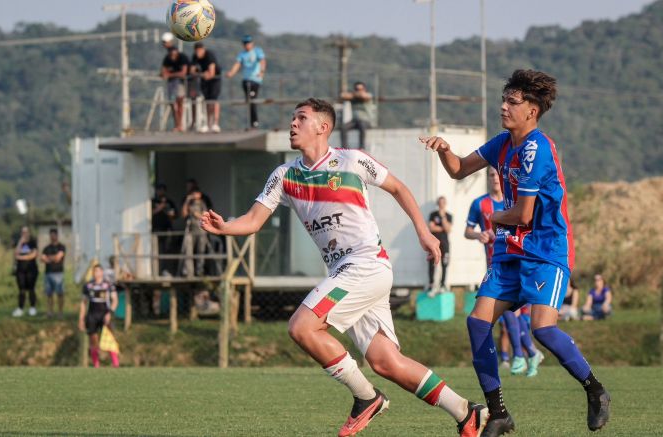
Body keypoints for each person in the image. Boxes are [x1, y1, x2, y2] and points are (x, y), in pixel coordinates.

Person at [200, 98, 488, 437]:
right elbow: (251, 220)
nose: (293, 124)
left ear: (323, 127)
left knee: (302, 327)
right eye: (293, 118)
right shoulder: (285, 175)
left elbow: (398, 188)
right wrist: (226, 227)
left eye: (301, 118)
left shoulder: (351, 160)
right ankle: (466, 412)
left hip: (365, 263)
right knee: (385, 362)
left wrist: (424, 233)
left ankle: (366, 398)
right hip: (346, 272)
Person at [422, 69, 610, 435]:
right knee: (477, 323)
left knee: (542, 329)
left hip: (546, 251)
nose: (504, 106)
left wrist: (492, 219)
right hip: (512, 251)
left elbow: (523, 214)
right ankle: (499, 413)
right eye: (504, 99)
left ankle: (596, 391)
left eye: (513, 101)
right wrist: (446, 150)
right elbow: (460, 169)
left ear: (533, 111)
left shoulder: (536, 149)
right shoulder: (502, 143)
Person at [465, 168, 543, 378]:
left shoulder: (517, 202)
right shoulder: (479, 204)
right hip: (494, 263)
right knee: (510, 312)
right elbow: (467, 230)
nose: (495, 179)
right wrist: (478, 234)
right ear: (488, 179)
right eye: (491, 175)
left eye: (497, 175)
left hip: (516, 262)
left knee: (514, 311)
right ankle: (529, 353)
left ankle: (520, 354)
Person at [78, 264, 119, 368]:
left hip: (105, 314)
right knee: (93, 339)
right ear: (93, 273)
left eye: (98, 271)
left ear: (102, 272)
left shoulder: (108, 285)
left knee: (109, 338)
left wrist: (110, 312)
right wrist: (81, 319)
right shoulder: (88, 286)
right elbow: (83, 303)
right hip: (92, 315)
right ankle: (96, 364)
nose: (97, 273)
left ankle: (115, 363)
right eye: (95, 271)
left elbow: (115, 300)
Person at [226, 35, 266, 129]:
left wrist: (261, 71)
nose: (246, 45)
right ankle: (250, 122)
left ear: (252, 43)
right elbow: (237, 64)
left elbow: (262, 62)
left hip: (255, 80)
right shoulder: (242, 54)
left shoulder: (257, 51)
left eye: (248, 43)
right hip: (246, 80)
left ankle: (254, 123)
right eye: (245, 44)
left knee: (252, 99)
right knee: (249, 101)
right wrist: (231, 73)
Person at [191, 42, 222, 133]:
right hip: (204, 79)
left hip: (215, 79)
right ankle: (208, 124)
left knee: (214, 100)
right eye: (197, 51)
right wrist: (201, 74)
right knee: (207, 101)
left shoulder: (209, 55)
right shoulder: (195, 56)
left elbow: (211, 73)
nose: (198, 53)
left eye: (200, 51)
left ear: (203, 50)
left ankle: (215, 123)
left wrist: (204, 75)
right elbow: (192, 71)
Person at [340, 81, 376, 149]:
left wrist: (354, 95)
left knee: (362, 125)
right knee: (343, 127)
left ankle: (362, 147)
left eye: (360, 89)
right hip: (355, 121)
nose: (359, 91)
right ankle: (344, 147)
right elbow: (342, 95)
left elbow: (364, 96)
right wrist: (354, 95)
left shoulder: (368, 96)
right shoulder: (353, 97)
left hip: (366, 121)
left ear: (364, 89)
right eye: (357, 89)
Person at [427, 196, 452, 294]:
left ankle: (442, 285)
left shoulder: (448, 216)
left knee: (444, 263)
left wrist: (442, 218)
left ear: (445, 204)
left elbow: (448, 229)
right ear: (438, 203)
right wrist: (442, 228)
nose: (441, 204)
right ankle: (431, 284)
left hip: (445, 244)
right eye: (440, 202)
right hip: (433, 244)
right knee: (431, 264)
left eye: (443, 202)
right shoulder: (433, 214)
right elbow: (431, 228)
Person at [161, 46, 189, 132]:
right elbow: (163, 72)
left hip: (181, 83)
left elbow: (183, 73)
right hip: (171, 84)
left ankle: (180, 125)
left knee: (180, 103)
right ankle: (177, 125)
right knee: (172, 104)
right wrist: (173, 74)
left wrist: (170, 75)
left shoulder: (182, 58)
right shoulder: (167, 59)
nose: (173, 56)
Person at [12, 226, 38, 317]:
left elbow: (34, 255)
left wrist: (21, 257)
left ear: (29, 233)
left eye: (26, 232)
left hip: (31, 270)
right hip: (20, 271)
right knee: (21, 290)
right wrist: (20, 242)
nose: (24, 233)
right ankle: (20, 308)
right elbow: (15, 253)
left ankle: (32, 307)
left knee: (31, 289)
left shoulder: (32, 242)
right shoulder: (18, 242)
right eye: (23, 232)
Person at [152, 183, 177, 275]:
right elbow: (150, 213)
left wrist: (171, 214)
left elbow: (175, 215)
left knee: (168, 250)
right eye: (158, 189)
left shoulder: (169, 202)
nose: (160, 191)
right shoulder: (153, 201)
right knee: (157, 250)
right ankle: (157, 271)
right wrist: (160, 207)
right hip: (157, 229)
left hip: (168, 229)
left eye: (162, 189)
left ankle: (167, 270)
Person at [182, 189, 209, 276]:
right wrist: (187, 201)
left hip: (201, 231)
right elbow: (184, 214)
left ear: (199, 194)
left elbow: (205, 216)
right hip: (190, 230)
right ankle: (189, 272)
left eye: (196, 193)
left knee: (201, 251)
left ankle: (200, 271)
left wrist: (194, 213)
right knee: (188, 252)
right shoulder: (189, 203)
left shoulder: (202, 203)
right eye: (193, 193)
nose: (194, 195)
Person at [40, 228, 66, 318]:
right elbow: (42, 259)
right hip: (48, 273)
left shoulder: (61, 247)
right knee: (49, 294)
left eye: (54, 235)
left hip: (58, 273)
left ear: (56, 235)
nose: (52, 237)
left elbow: (58, 258)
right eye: (51, 235)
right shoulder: (46, 248)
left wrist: (49, 258)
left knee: (60, 294)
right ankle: (50, 312)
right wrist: (53, 258)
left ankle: (60, 312)